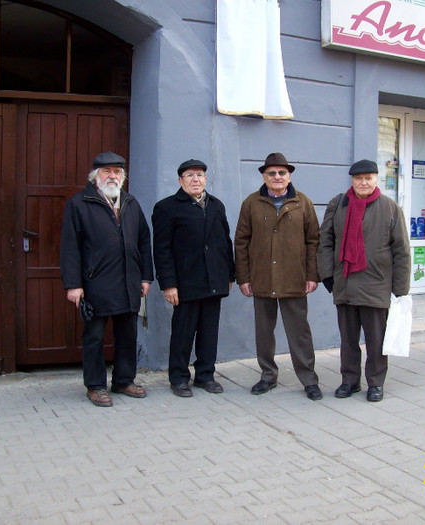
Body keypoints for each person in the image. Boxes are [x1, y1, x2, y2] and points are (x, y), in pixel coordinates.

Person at [60, 151, 153, 407]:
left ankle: (124, 380)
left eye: (117, 172)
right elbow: (70, 247)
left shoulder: (131, 203)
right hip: (95, 283)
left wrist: (146, 276)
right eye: (106, 171)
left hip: (128, 282)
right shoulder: (79, 204)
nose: (112, 176)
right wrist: (73, 285)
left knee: (127, 334)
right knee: (94, 337)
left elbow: (144, 241)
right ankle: (96, 385)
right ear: (95, 176)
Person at [317, 159, 411, 402]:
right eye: (359, 178)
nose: (364, 182)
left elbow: (401, 250)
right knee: (348, 340)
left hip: (376, 285)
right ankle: (349, 381)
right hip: (345, 283)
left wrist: (401, 289)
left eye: (368, 178)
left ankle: (376, 383)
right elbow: (325, 241)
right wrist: (327, 274)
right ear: (352, 180)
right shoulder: (338, 205)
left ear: (376, 179)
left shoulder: (390, 208)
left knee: (376, 340)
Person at [234, 152, 323, 401]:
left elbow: (313, 241)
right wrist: (243, 277)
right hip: (261, 278)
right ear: (264, 176)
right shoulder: (251, 203)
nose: (276, 177)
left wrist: (312, 275)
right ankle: (267, 376)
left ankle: (309, 379)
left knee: (300, 332)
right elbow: (241, 242)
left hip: (294, 278)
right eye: (271, 173)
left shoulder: (302, 202)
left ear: (289, 175)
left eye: (281, 172)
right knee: (264, 331)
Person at [151, 159, 235, 398]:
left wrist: (229, 274)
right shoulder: (166, 208)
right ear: (180, 180)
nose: (195, 179)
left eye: (199, 175)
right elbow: (162, 249)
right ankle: (178, 378)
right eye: (189, 175)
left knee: (209, 331)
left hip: (214, 281)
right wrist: (168, 283)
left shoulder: (216, 205)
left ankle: (206, 375)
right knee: (183, 332)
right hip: (185, 283)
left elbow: (224, 242)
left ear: (206, 179)